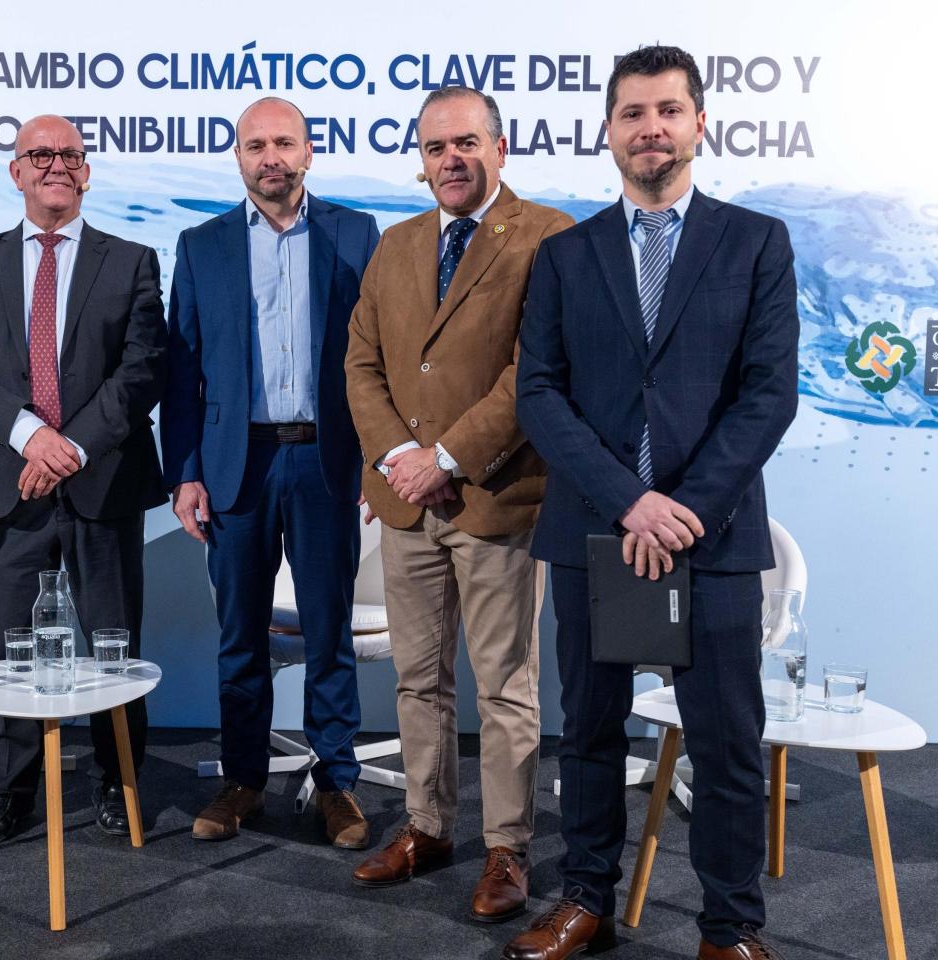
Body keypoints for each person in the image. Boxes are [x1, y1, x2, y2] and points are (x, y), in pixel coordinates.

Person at [508, 45, 800, 960]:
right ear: (608, 131)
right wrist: (632, 502)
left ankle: (730, 925)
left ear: (700, 123)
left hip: (708, 539)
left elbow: (769, 394)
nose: (651, 129)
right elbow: (539, 396)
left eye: (669, 111)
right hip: (596, 528)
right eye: (633, 114)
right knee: (589, 733)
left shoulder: (756, 242)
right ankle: (585, 899)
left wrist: (683, 509)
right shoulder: (564, 255)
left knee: (726, 748)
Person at [344, 86, 572, 924]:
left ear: (501, 149)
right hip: (406, 504)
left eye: (467, 143)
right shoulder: (396, 243)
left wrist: (446, 456)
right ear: (421, 158)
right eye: (436, 147)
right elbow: (360, 363)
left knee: (506, 687)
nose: (451, 159)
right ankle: (428, 825)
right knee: (418, 681)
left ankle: (507, 849)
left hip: (496, 499)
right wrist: (401, 459)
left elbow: (535, 371)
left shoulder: (548, 236)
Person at [0, 114, 166, 846]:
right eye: (40, 154)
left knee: (113, 641)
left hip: (102, 484)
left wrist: (72, 446)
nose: (55, 165)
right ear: (17, 172)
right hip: (10, 483)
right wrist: (31, 437)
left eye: (69, 154)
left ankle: (115, 778)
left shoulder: (131, 260)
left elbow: (143, 368)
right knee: (9, 647)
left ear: (87, 171)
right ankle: (12, 788)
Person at [162, 97, 380, 848]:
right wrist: (184, 472)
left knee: (329, 631)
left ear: (310, 151)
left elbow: (376, 359)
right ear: (238, 156)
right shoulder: (201, 246)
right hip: (237, 464)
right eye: (256, 145)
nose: (271, 157)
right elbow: (182, 371)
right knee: (239, 635)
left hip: (327, 460)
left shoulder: (356, 233)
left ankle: (337, 783)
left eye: (284, 142)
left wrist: (380, 458)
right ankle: (243, 779)